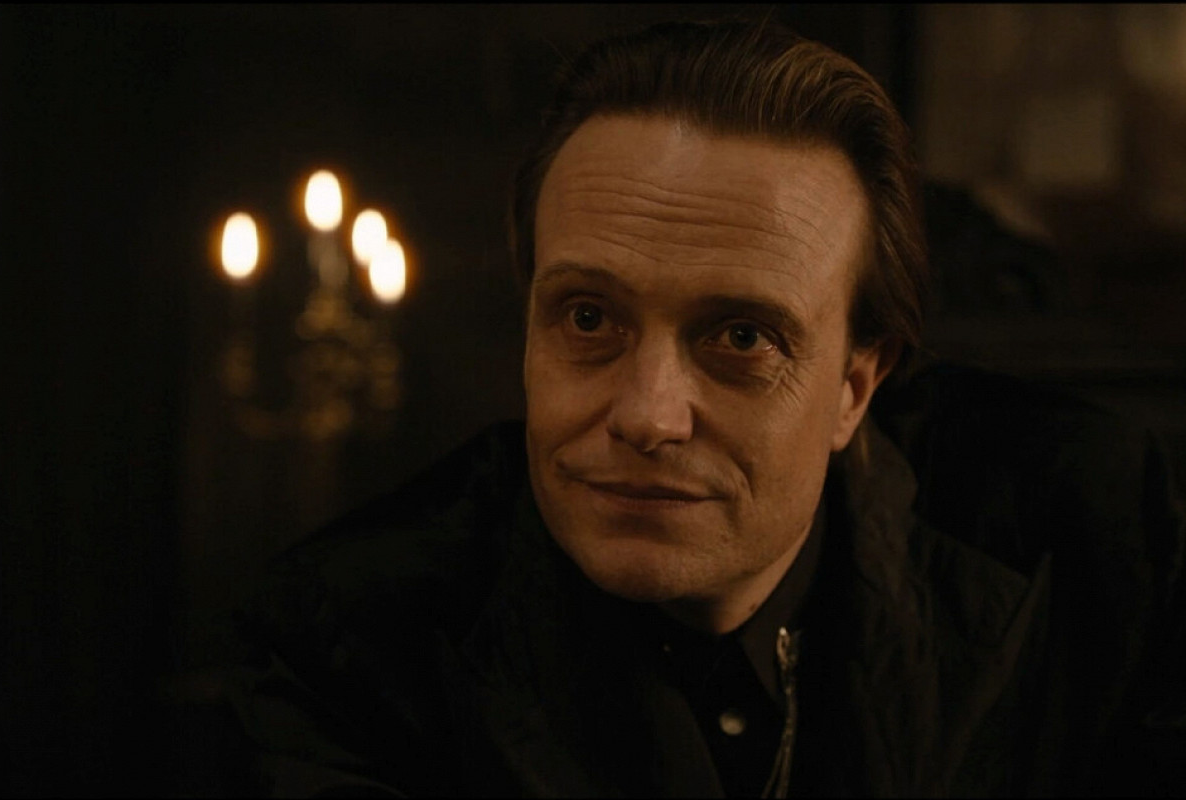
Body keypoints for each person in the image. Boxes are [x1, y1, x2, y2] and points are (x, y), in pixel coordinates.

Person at [221, 18, 1186, 797]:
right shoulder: (346, 645)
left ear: (855, 388)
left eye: (742, 338)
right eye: (589, 317)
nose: (648, 416)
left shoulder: (1095, 542)